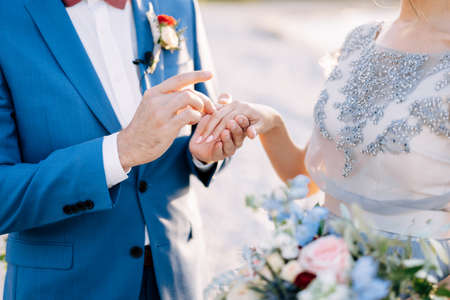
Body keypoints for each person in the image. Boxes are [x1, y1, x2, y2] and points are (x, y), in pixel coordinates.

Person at [0, 0, 248, 299]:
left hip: (177, 278)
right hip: (69, 286)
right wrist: (119, 152)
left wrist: (206, 153)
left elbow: (203, 121)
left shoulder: (179, 5)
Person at [200, 0, 450, 282]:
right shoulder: (361, 40)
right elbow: (304, 179)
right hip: (318, 265)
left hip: (413, 276)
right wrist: (270, 122)